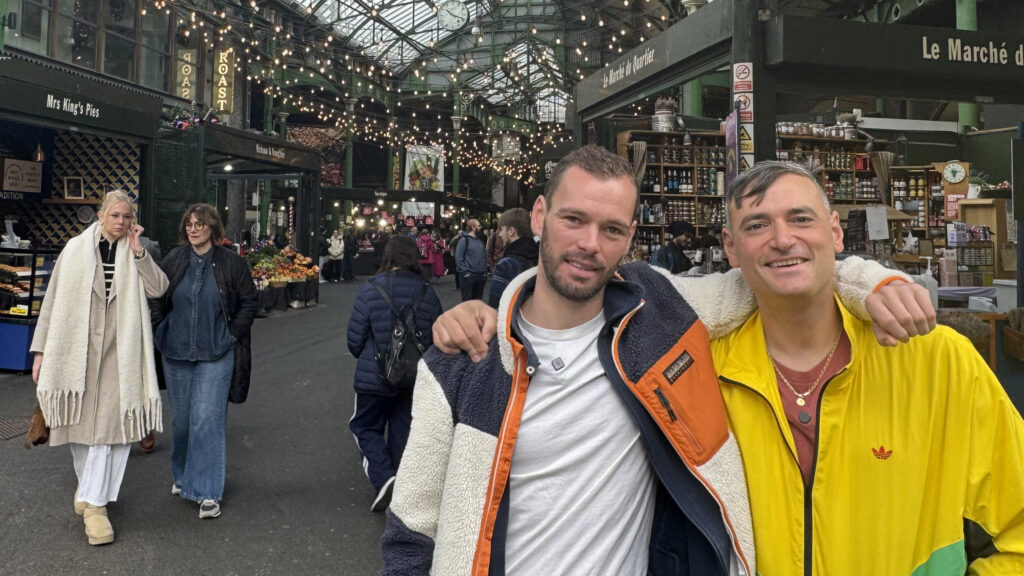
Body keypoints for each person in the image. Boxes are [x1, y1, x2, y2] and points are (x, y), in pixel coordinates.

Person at [380, 146, 932, 575]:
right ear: (540, 217)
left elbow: (777, 270)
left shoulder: (657, 309)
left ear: (630, 238)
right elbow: (411, 531)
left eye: (612, 229)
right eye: (574, 219)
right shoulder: (463, 360)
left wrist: (873, 283)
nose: (590, 244)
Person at [713, 161, 1024, 573]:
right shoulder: (701, 372)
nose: (783, 240)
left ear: (835, 232)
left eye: (801, 219)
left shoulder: (939, 362)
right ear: (731, 247)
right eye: (757, 225)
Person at [30, 189, 169, 545]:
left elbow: (158, 289)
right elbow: (52, 301)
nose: (121, 222)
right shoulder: (74, 249)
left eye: (127, 216)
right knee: (79, 430)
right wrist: (40, 351)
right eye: (115, 215)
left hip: (122, 352)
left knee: (114, 432)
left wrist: (139, 251)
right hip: (77, 352)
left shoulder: (137, 251)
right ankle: (90, 491)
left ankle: (95, 505)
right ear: (101, 216)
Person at [150, 203, 259, 520]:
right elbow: (156, 295)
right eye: (189, 224)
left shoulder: (231, 262)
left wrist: (231, 336)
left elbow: (250, 301)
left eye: (200, 224)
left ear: (213, 228)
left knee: (206, 421)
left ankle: (208, 491)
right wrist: (160, 330)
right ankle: (183, 475)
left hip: (216, 353)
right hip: (176, 354)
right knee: (182, 421)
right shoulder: (174, 259)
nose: (193, 229)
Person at [347, 235, 443, 513]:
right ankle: (400, 488)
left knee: (365, 426)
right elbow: (438, 337)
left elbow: (354, 340)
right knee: (403, 431)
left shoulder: (371, 289)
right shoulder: (427, 293)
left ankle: (384, 477)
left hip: (373, 377)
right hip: (413, 377)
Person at [486, 207, 537, 308]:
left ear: (511, 231)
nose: (499, 234)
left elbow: (495, 306)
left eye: (501, 229)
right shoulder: (540, 259)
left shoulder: (506, 265)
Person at [454, 218, 487, 301]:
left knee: (477, 302)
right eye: (478, 226)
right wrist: (465, 272)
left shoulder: (480, 240)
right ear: (473, 228)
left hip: (480, 275)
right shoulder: (464, 240)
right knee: (467, 302)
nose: (480, 227)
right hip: (469, 275)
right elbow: (458, 257)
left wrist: (484, 272)